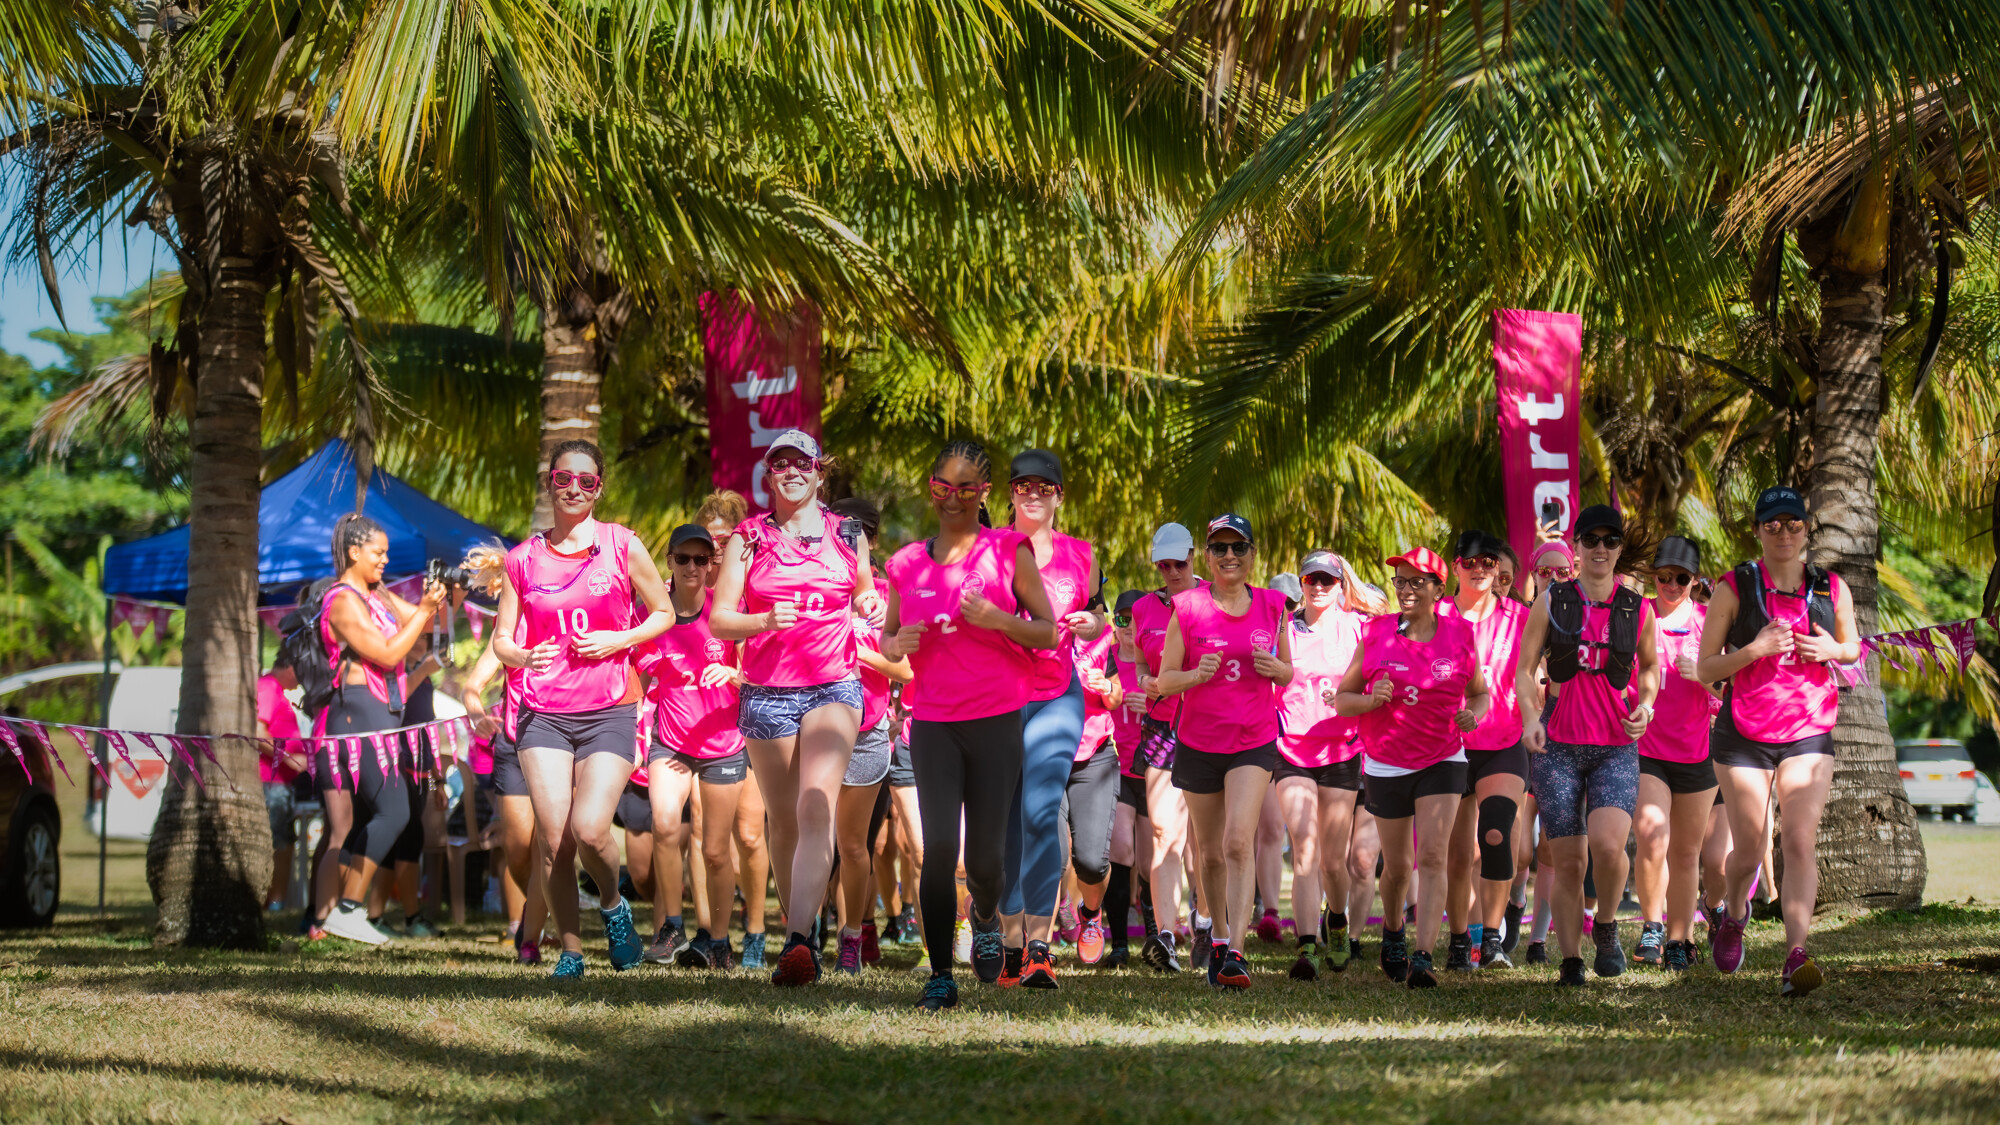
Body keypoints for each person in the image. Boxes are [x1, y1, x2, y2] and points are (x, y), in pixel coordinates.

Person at [882, 440, 1059, 1012]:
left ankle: (985, 914)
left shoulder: (1009, 550)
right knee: (938, 851)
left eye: (965, 489)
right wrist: (896, 643)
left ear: (983, 494)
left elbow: (1048, 632)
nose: (952, 500)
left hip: (996, 719)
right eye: (941, 488)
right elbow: (888, 637)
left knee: (984, 861)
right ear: (929, 488)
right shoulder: (906, 563)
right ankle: (939, 974)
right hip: (933, 721)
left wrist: (999, 618)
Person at [492, 440, 677, 978]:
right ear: (550, 482)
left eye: (586, 481)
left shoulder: (621, 545)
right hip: (543, 710)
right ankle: (570, 951)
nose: (574, 489)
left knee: (592, 827)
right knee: (554, 838)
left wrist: (620, 638)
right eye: (563, 479)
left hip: (609, 708)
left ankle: (615, 910)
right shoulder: (522, 558)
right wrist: (523, 654)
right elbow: (502, 640)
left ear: (599, 488)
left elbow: (663, 613)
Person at [709, 431, 884, 986]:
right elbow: (719, 619)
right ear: (769, 476)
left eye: (801, 463)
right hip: (766, 690)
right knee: (782, 823)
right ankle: (800, 925)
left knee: (815, 809)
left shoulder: (847, 533)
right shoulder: (748, 538)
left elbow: (862, 590)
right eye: (779, 463)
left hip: (834, 685)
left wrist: (869, 601)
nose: (791, 471)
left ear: (818, 472)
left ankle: (800, 941)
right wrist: (762, 621)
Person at [1695, 486, 1859, 997]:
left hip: (1809, 730)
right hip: (1744, 735)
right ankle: (1734, 914)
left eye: (1792, 524)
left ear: (1806, 529)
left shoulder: (1831, 588)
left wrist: (1831, 647)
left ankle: (1795, 954)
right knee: (1748, 849)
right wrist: (1755, 649)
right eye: (1772, 525)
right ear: (1758, 530)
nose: (1783, 533)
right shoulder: (1735, 586)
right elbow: (1705, 669)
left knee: (1799, 839)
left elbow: (1852, 648)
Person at [1518, 505, 1662, 987]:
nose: (1601, 548)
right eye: (1591, 539)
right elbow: (1523, 668)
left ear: (1620, 549)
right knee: (1567, 861)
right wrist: (1531, 717)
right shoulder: (1552, 600)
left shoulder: (1637, 607)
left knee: (1606, 845)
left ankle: (1605, 926)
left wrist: (1646, 705)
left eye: (1610, 540)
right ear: (1576, 546)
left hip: (1615, 745)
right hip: (1557, 744)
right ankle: (1571, 960)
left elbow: (1648, 669)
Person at [1333, 545, 1489, 989]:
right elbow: (1344, 699)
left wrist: (1472, 715)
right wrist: (1370, 700)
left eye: (1416, 582)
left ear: (1440, 589)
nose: (1405, 589)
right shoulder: (1376, 632)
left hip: (1443, 758)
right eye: (1400, 581)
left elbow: (1479, 693)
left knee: (1434, 856)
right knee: (1398, 867)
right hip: (1385, 761)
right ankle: (1394, 932)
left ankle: (1423, 956)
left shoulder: (1460, 635)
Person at [1150, 514, 1292, 990]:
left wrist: (1277, 669)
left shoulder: (1274, 606)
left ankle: (1236, 952)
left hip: (1252, 739)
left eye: (1239, 548)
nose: (1230, 556)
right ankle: (1215, 938)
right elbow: (1164, 679)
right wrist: (1195, 676)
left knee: (1237, 842)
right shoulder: (1187, 606)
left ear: (1253, 554)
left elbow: (1289, 672)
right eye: (1220, 549)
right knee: (1209, 853)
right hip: (1198, 741)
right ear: (1207, 557)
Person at [997, 450, 1107, 989]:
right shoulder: (990, 550)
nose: (1033, 495)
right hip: (996, 697)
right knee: (1005, 820)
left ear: (1060, 495)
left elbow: (1100, 611)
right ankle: (1008, 939)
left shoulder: (1082, 555)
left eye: (1045, 487)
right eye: (1023, 486)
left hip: (1057, 695)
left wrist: (1090, 623)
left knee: (1041, 811)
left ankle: (1038, 946)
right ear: (1011, 494)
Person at [313, 513, 449, 945]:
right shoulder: (342, 601)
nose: (385, 560)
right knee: (394, 810)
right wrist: (425, 609)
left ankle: (345, 913)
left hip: (380, 710)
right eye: (378, 552)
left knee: (383, 814)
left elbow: (424, 625)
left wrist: (437, 600)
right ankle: (345, 912)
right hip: (356, 710)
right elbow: (389, 656)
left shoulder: (375, 595)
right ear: (354, 552)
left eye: (387, 553)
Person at [635, 523, 754, 970]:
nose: (692, 567)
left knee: (716, 851)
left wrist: (734, 676)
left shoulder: (727, 613)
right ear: (668, 561)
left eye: (701, 560)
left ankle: (720, 941)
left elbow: (759, 674)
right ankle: (671, 927)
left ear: (710, 565)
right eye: (683, 558)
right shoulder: (654, 617)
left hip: (723, 743)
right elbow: (636, 678)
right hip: (671, 743)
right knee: (665, 825)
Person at [827, 497, 912, 975]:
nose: (845, 538)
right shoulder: (813, 588)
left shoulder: (882, 594)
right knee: (819, 843)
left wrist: (861, 657)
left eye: (855, 531)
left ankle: (852, 937)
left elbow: (907, 667)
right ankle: (807, 934)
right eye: (837, 529)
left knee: (857, 846)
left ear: (871, 539)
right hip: (812, 726)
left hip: (867, 730)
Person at [1273, 550, 1365, 981]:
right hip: (1291, 751)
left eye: (1328, 580)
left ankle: (1339, 920)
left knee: (1334, 860)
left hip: (1342, 751)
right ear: (1302, 583)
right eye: (1312, 579)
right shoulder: (1283, 630)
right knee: (1304, 848)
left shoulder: (1357, 629)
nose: (1319, 587)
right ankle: (1307, 943)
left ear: (1341, 584)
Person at [1441, 530, 1532, 971]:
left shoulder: (1522, 617)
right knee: (1457, 855)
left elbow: (1536, 674)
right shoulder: (1436, 615)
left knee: (1496, 835)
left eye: (1489, 562)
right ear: (1455, 566)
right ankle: (1461, 941)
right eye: (1472, 561)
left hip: (1503, 743)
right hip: (1447, 747)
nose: (1481, 569)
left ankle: (1492, 939)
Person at [1633, 535, 1722, 972]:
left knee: (1687, 854)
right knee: (1651, 836)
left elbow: (1728, 689)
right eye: (1663, 576)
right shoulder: (1638, 615)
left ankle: (1679, 938)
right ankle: (1651, 924)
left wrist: (1702, 675)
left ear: (1694, 580)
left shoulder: (1709, 623)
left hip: (1696, 752)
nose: (1670, 584)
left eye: (1681, 578)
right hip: (1646, 747)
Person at [697, 489, 772, 969]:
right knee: (707, 836)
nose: (717, 548)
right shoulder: (688, 592)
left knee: (748, 834)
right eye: (709, 540)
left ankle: (758, 931)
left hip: (754, 721)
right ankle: (710, 932)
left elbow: (770, 662)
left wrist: (737, 675)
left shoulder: (754, 587)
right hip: (703, 728)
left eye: (726, 538)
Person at [1134, 522, 1209, 973]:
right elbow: (1142, 662)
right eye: (1163, 565)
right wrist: (1145, 679)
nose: (1170, 571)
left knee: (1204, 839)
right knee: (1165, 833)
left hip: (1208, 728)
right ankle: (1165, 936)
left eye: (1178, 563)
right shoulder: (1144, 608)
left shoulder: (1213, 600)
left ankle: (1204, 922)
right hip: (1162, 728)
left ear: (1192, 558)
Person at [461, 637, 550, 964]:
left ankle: (530, 936)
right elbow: (471, 686)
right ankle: (535, 907)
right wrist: (476, 715)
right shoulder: (507, 634)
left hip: (560, 744)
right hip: (512, 744)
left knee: (547, 844)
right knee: (516, 849)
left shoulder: (570, 612)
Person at [1098, 590, 1151, 969]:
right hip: (1117, 766)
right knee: (1120, 852)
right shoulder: (1108, 660)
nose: (1129, 627)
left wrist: (1150, 708)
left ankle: (1155, 936)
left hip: (1155, 769)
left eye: (1136, 619)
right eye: (1121, 619)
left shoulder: (1158, 661)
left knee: (1150, 862)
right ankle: (1118, 944)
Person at [1067, 625, 1123, 967]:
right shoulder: (1029, 625)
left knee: (1090, 861)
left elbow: (1115, 695)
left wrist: (1107, 688)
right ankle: (1033, 945)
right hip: (1042, 752)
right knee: (1052, 855)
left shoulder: (1101, 637)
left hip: (1094, 753)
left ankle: (1090, 913)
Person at [259, 654, 307, 911]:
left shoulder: (276, 690)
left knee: (284, 840)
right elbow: (258, 733)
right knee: (279, 842)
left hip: (280, 783)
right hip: (269, 782)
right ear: (290, 665)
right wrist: (289, 759)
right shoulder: (267, 687)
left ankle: (278, 900)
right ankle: (275, 902)